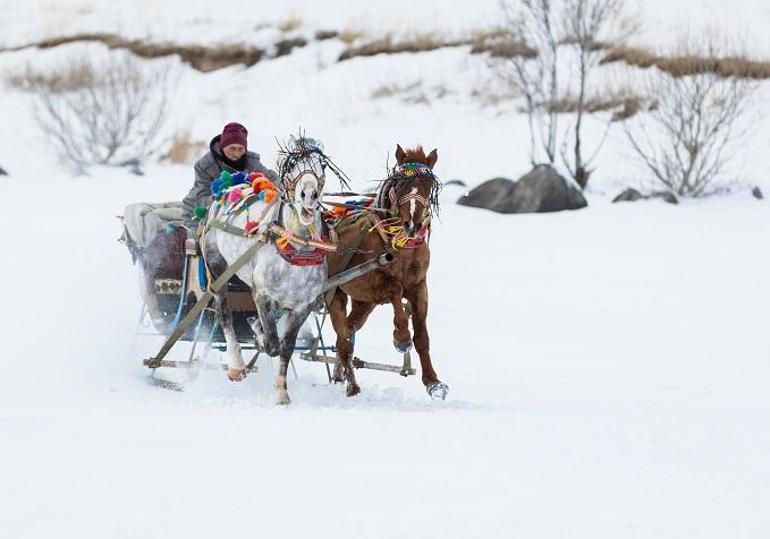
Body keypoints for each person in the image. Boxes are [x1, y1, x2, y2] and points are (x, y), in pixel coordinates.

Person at [182, 122, 280, 218]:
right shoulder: (205, 166)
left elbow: (273, 179)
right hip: (196, 213)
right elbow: (200, 200)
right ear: (222, 147)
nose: (237, 154)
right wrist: (221, 196)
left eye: (240, 149)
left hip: (232, 211)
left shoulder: (251, 162)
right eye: (232, 148)